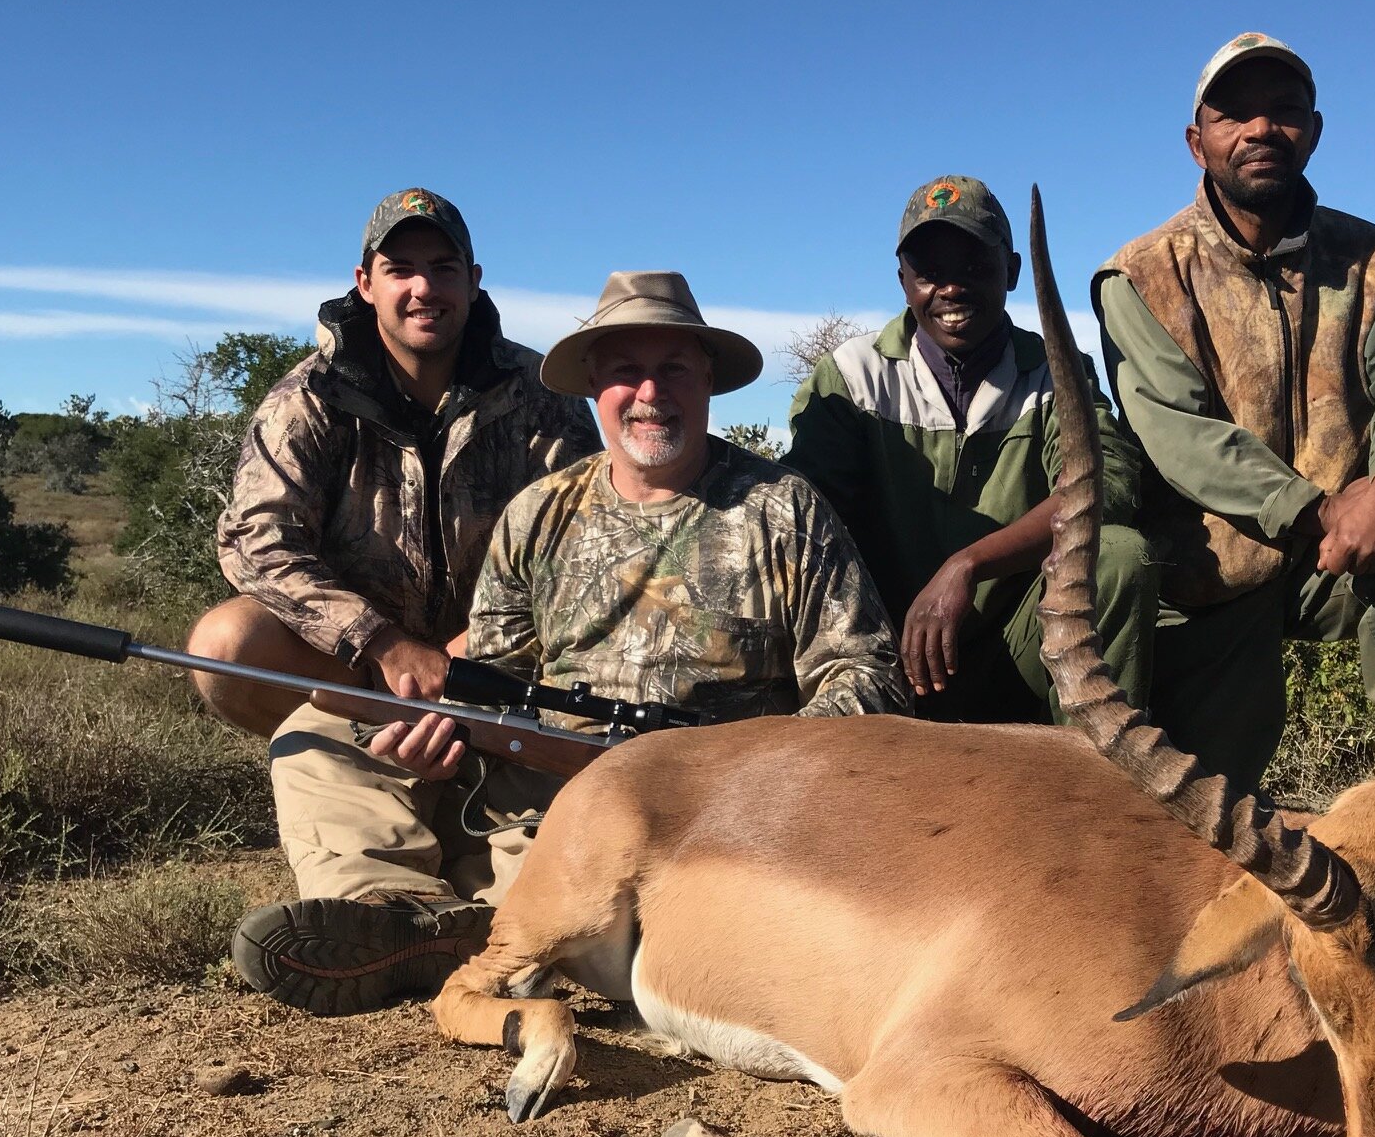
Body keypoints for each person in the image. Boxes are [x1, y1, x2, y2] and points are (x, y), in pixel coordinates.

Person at [234, 270, 907, 1015]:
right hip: (545, 781)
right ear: (593, 384)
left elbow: (865, 678)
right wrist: (440, 730)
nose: (650, 392)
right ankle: (398, 908)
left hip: (706, 812)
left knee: (630, 907)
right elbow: (493, 672)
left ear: (708, 379)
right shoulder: (539, 513)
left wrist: (740, 780)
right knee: (321, 734)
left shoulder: (782, 509)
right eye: (625, 371)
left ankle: (482, 933)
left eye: (673, 368)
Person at [1093, 34, 1375, 796]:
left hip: (1337, 556)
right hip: (1208, 572)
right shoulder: (1141, 274)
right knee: (1196, 820)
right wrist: (1319, 511)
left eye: (1283, 112)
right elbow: (1180, 437)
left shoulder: (1374, 258)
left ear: (1313, 130)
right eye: (1233, 115)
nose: (1260, 131)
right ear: (1196, 142)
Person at [189, 188, 597, 734]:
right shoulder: (308, 399)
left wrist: (459, 656)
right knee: (226, 643)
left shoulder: (543, 393)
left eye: (443, 269)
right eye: (400, 270)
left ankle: (486, 749)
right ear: (365, 284)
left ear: (473, 282)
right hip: (359, 668)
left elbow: (585, 540)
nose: (423, 288)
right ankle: (363, 742)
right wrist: (381, 644)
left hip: (498, 661)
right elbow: (256, 544)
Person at [783, 175, 1155, 723]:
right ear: (904, 281)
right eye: (930, 272)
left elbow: (1105, 489)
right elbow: (800, 519)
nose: (951, 289)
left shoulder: (1057, 372)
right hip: (887, 662)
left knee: (1119, 555)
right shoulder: (851, 376)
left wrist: (968, 564)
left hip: (1021, 649)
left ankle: (1095, 776)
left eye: (974, 267)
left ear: (1012, 270)